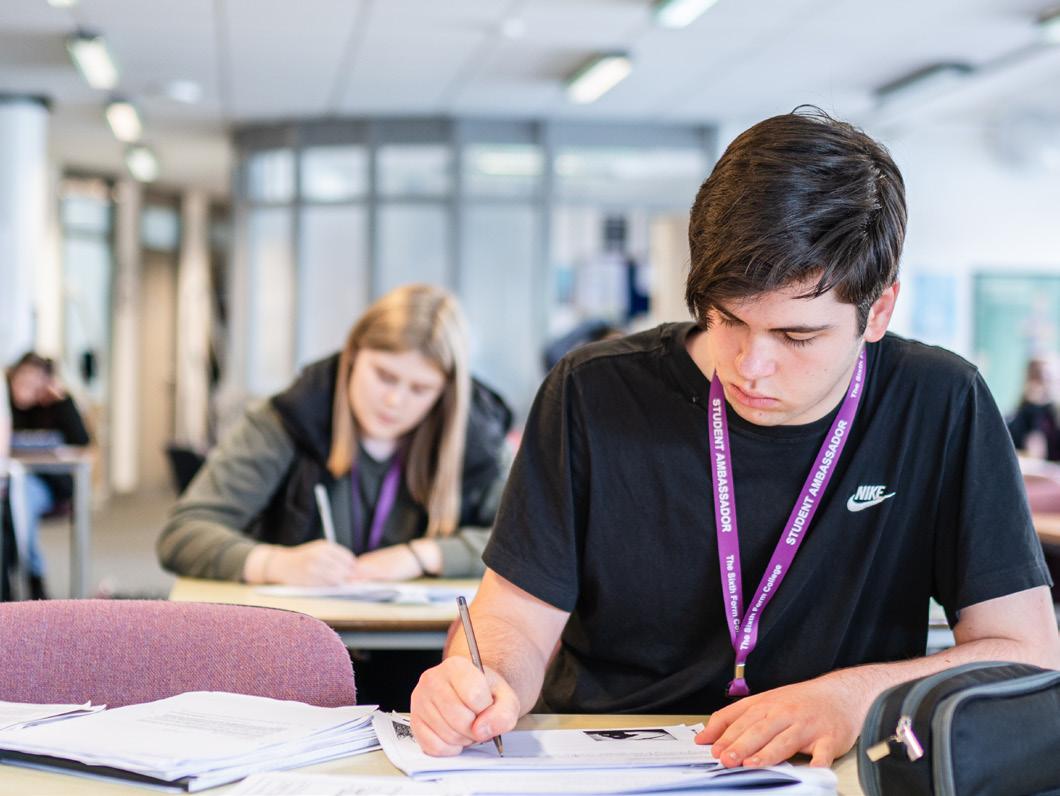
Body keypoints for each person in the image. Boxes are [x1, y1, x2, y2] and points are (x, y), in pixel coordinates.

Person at [409, 109, 1059, 767]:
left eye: (796, 336)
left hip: (831, 771)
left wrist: (856, 698)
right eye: (728, 319)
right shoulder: (593, 391)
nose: (751, 365)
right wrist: (481, 677)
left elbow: (1027, 652)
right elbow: (514, 619)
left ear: (879, 311)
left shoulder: (940, 402)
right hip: (609, 764)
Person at [157, 283, 512, 586]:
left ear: (446, 392)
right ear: (353, 355)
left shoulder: (477, 439)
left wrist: (424, 556)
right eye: (384, 376)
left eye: (420, 389)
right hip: (299, 634)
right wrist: (273, 563)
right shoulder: (287, 419)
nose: (394, 401)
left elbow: (525, 542)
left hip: (425, 641)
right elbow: (184, 532)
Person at [5, 353, 92, 599]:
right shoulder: (5, 406)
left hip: (46, 484)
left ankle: (32, 573)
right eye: (23, 379)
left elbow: (82, 440)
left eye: (34, 381)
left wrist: (63, 402)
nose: (26, 386)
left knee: (20, 502)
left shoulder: (54, 407)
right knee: (15, 504)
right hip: (10, 483)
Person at [1007, 358, 1059, 460]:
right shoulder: (1019, 415)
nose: (1042, 385)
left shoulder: (1054, 416)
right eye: (1036, 377)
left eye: (1047, 379)